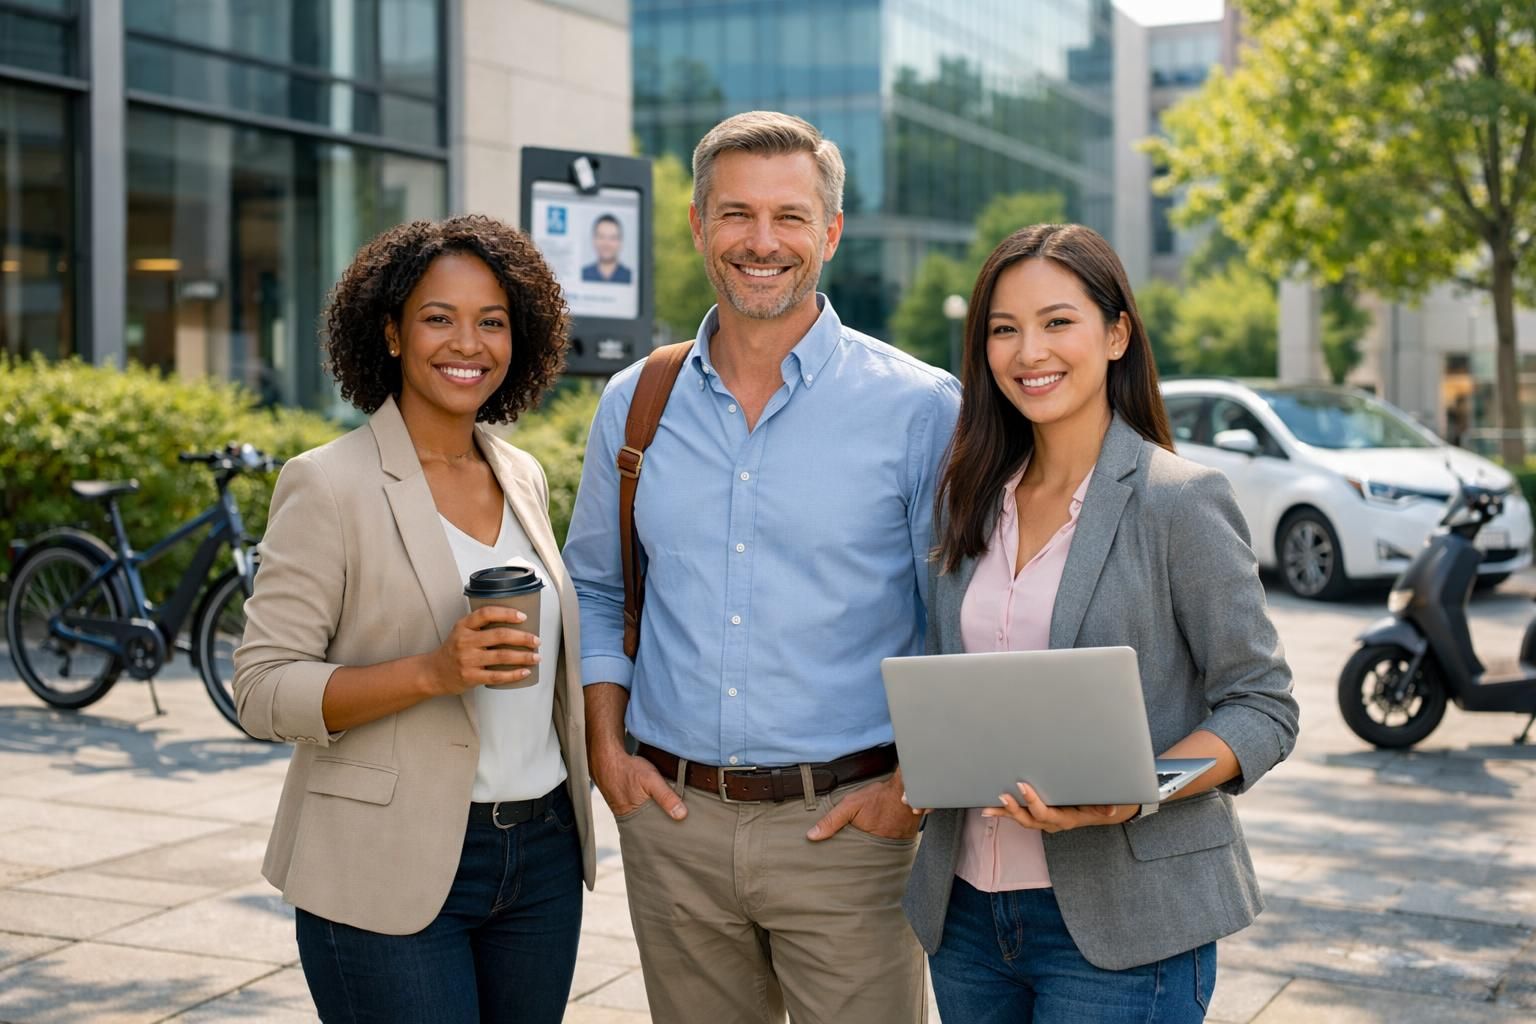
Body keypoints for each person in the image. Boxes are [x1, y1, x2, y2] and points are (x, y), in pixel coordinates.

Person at [563, 110, 960, 1024]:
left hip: (852, 833)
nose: (762, 242)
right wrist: (605, 751)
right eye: (735, 214)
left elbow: (962, 613)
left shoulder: (920, 409)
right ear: (700, 228)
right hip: (673, 826)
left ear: (830, 232)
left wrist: (914, 793)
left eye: (790, 216)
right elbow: (597, 583)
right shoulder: (636, 401)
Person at [902, 223, 1300, 1023]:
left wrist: (1139, 791)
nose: (1028, 352)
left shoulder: (1178, 500)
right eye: (1003, 330)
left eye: (1057, 322)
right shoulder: (966, 500)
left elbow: (1264, 706)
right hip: (969, 915)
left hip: (1128, 920)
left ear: (1116, 334)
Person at [234, 214, 596, 1024]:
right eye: (439, 318)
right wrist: (432, 673)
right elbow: (260, 689)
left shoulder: (522, 473)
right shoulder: (327, 484)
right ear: (391, 333)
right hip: (384, 861)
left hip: (538, 857)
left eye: (492, 321)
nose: (467, 343)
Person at [580, 213, 632, 283]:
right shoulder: (583, 274)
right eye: (601, 237)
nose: (606, 243)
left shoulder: (629, 276)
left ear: (620, 242)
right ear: (594, 240)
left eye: (612, 238)